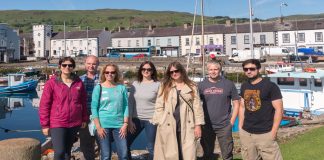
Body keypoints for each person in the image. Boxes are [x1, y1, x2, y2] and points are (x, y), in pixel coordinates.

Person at [152, 61, 205, 160]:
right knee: (170, 153)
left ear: (182, 71)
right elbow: (159, 106)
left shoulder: (192, 86)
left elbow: (197, 107)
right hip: (168, 124)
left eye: (176, 71)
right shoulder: (164, 86)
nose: (174, 74)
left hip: (187, 124)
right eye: (171, 72)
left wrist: (198, 125)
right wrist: (160, 121)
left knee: (187, 153)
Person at [39, 57, 88, 160]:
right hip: (57, 122)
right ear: (60, 66)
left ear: (73, 67)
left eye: (70, 65)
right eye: (64, 65)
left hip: (74, 122)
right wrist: (45, 125)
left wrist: (84, 119)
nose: (67, 67)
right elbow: (44, 105)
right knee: (60, 151)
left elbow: (83, 102)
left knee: (67, 152)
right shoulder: (51, 83)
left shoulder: (78, 83)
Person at [239, 59, 283, 160]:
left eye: (252, 69)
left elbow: (279, 110)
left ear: (258, 69)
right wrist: (241, 128)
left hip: (265, 133)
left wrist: (274, 131)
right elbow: (242, 107)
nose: (249, 71)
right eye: (246, 69)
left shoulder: (271, 86)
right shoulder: (244, 86)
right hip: (247, 133)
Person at [198, 61, 240, 160]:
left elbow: (236, 103)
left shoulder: (229, 84)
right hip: (206, 125)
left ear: (219, 70)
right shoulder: (201, 85)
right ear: (207, 70)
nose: (213, 72)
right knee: (207, 153)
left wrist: (232, 121)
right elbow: (195, 105)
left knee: (227, 153)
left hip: (224, 125)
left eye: (215, 69)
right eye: (211, 69)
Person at [91, 63, 129, 160]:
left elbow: (126, 106)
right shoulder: (98, 88)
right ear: (103, 73)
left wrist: (125, 124)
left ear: (116, 74)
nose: (110, 74)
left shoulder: (122, 88)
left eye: (112, 72)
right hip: (103, 125)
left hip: (119, 125)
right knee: (106, 155)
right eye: (107, 72)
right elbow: (94, 108)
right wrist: (98, 127)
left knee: (124, 154)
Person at [127, 61, 160, 160]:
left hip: (151, 120)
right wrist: (130, 120)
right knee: (126, 143)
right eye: (144, 69)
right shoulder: (135, 84)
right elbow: (130, 103)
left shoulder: (158, 84)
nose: (146, 71)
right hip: (136, 119)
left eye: (149, 69)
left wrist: (156, 118)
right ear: (141, 71)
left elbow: (160, 104)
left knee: (151, 147)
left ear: (152, 71)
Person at [79, 55, 100, 160]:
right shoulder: (79, 80)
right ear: (85, 64)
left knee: (102, 140)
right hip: (84, 114)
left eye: (94, 64)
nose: (91, 66)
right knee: (85, 143)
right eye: (89, 63)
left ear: (98, 65)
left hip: (100, 114)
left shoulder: (103, 79)